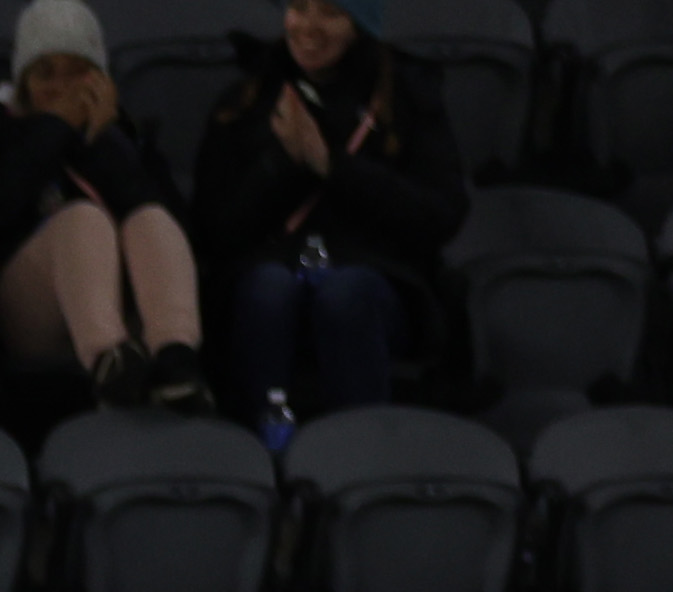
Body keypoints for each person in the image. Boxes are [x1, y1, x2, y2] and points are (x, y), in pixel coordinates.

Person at [187, 0, 465, 428]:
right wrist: (284, 165)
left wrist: (334, 166)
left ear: (360, 24)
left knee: (345, 294)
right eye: (299, 7)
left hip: (376, 282)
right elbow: (213, 231)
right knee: (267, 290)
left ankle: (359, 463)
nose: (309, 27)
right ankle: (265, 458)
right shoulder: (247, 98)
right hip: (268, 274)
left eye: (331, 12)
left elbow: (441, 215)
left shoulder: (407, 96)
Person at [0, 1, 209, 409]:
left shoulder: (125, 136)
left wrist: (103, 140)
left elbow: (177, 231)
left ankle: (175, 357)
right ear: (23, 80)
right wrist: (55, 127)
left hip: (130, 307)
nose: (62, 86)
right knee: (82, 219)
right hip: (26, 311)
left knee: (147, 216)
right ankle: (110, 365)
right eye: (45, 72)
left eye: (77, 70)